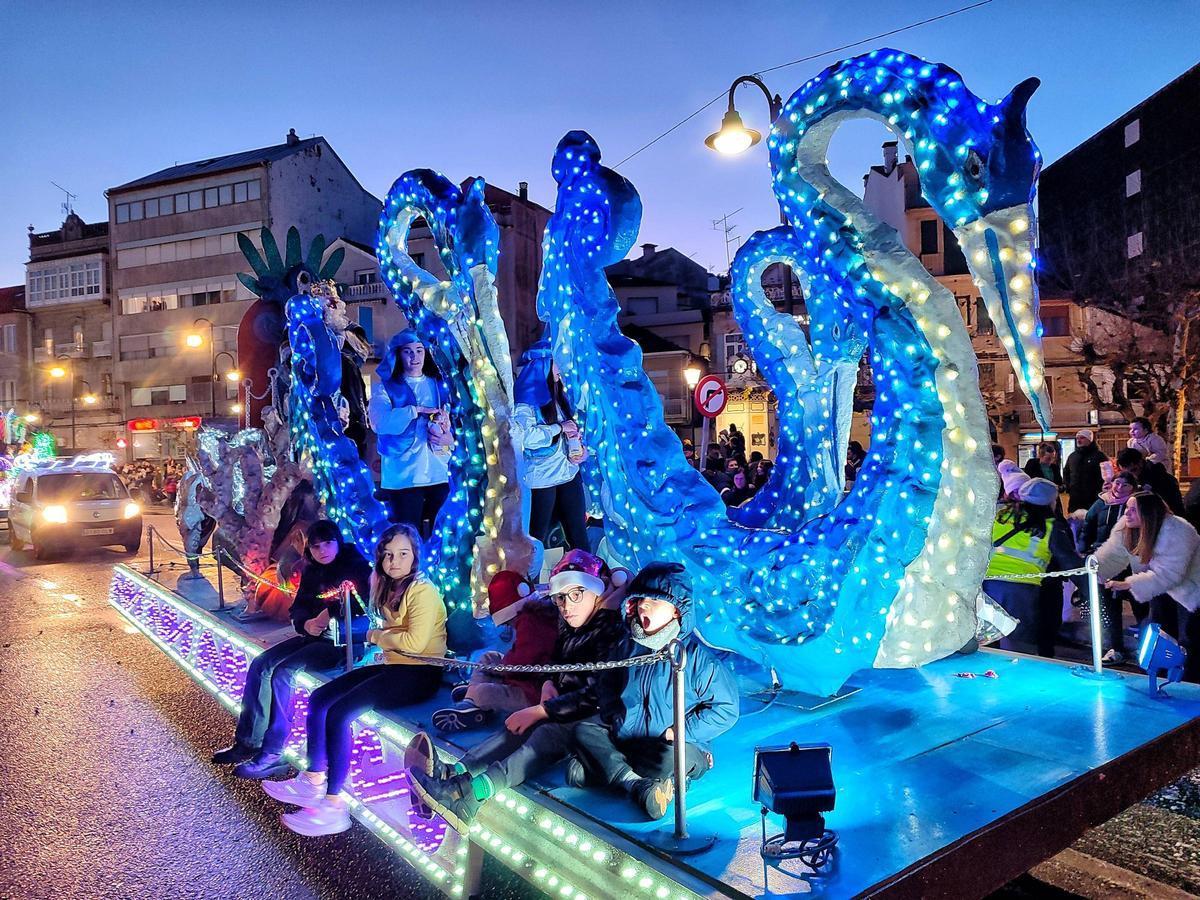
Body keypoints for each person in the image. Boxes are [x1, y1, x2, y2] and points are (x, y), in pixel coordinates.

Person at [405, 550, 626, 830]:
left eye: (577, 593)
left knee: (544, 734)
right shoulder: (574, 622)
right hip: (565, 704)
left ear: (597, 591)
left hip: (595, 722)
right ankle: (457, 772)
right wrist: (549, 684)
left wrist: (542, 710)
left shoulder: (611, 632)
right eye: (561, 597)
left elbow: (597, 694)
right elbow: (558, 659)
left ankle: (470, 795)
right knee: (514, 728)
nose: (567, 605)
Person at [263, 524, 448, 836]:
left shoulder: (422, 591)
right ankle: (313, 779)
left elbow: (415, 643)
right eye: (388, 555)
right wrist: (386, 640)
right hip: (395, 664)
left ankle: (334, 806)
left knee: (340, 712)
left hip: (419, 672)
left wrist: (375, 636)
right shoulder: (387, 585)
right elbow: (399, 638)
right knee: (321, 698)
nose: (395, 561)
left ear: (415, 555)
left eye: (403, 553)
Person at [571, 562, 739, 819]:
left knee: (665, 760)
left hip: (670, 743)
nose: (644, 605)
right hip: (628, 737)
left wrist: (681, 730)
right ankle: (636, 783)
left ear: (677, 610)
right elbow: (607, 681)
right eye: (639, 600)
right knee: (584, 730)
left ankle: (610, 770)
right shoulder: (627, 647)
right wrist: (614, 715)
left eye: (655, 600)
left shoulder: (696, 659)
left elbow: (726, 709)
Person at [212, 521, 372, 778]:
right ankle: (248, 741)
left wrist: (328, 614)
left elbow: (361, 602)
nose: (323, 551)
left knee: (284, 672)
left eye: (328, 543)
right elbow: (298, 606)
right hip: (312, 638)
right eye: (316, 546)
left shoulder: (355, 565)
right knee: (262, 664)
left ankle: (274, 750)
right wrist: (305, 622)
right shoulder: (312, 571)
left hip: (342, 643)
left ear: (338, 542)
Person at [432, 570, 559, 733]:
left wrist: (502, 668)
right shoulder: (529, 617)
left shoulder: (530, 622)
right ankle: (471, 700)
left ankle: (474, 699)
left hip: (534, 691)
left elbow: (522, 662)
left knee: (483, 693)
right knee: (489, 658)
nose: (508, 626)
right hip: (526, 678)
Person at [1095, 492, 1200, 682]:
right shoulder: (1126, 528)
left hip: (1190, 590)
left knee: (1188, 638)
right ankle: (1155, 676)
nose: (1127, 513)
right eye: (1127, 507)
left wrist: (1128, 583)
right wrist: (1094, 569)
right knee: (1156, 631)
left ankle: (1189, 683)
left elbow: (1170, 574)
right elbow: (1112, 554)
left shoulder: (1177, 530)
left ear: (1149, 513)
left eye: (1133, 509)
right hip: (1158, 586)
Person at [983, 478, 1083, 657]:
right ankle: (1015, 682)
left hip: (985, 585)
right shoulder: (1049, 527)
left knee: (986, 640)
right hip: (1019, 590)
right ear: (1050, 502)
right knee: (1017, 646)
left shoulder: (999, 513)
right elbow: (1069, 562)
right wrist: (1092, 585)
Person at [369, 330, 453, 536]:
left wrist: (449, 439)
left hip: (439, 473)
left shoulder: (440, 385)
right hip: (404, 477)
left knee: (440, 535)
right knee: (409, 536)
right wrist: (415, 411)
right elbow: (380, 422)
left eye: (419, 351)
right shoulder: (385, 389)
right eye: (408, 352)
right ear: (398, 355)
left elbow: (455, 424)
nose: (415, 357)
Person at [512, 340, 589, 551]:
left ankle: (588, 578)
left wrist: (583, 452)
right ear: (542, 366)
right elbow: (526, 437)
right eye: (557, 362)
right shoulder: (525, 405)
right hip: (541, 481)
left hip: (569, 475)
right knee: (536, 540)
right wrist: (559, 428)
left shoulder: (561, 398)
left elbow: (573, 431)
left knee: (579, 537)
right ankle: (529, 582)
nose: (562, 368)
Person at [1077, 471, 1139, 661]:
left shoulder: (1136, 505)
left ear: (1133, 488)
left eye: (1125, 485)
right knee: (1111, 606)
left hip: (1131, 560)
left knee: (1140, 604)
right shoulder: (1101, 503)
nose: (1119, 488)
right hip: (1105, 558)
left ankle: (1146, 648)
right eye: (1117, 483)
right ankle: (1115, 647)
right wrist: (1084, 549)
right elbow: (1088, 526)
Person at [1115, 447, 1184, 515]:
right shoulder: (1129, 479)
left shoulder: (1161, 478)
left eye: (1132, 470)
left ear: (1140, 462)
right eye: (1124, 469)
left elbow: (1170, 507)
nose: (1129, 473)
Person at [1063, 429, 1108, 513]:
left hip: (1093, 497)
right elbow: (1066, 472)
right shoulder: (1072, 456)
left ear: (1090, 439)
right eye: (1077, 438)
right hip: (1075, 498)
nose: (1079, 440)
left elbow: (1106, 475)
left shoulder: (1099, 456)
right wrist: (1069, 487)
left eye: (1082, 438)